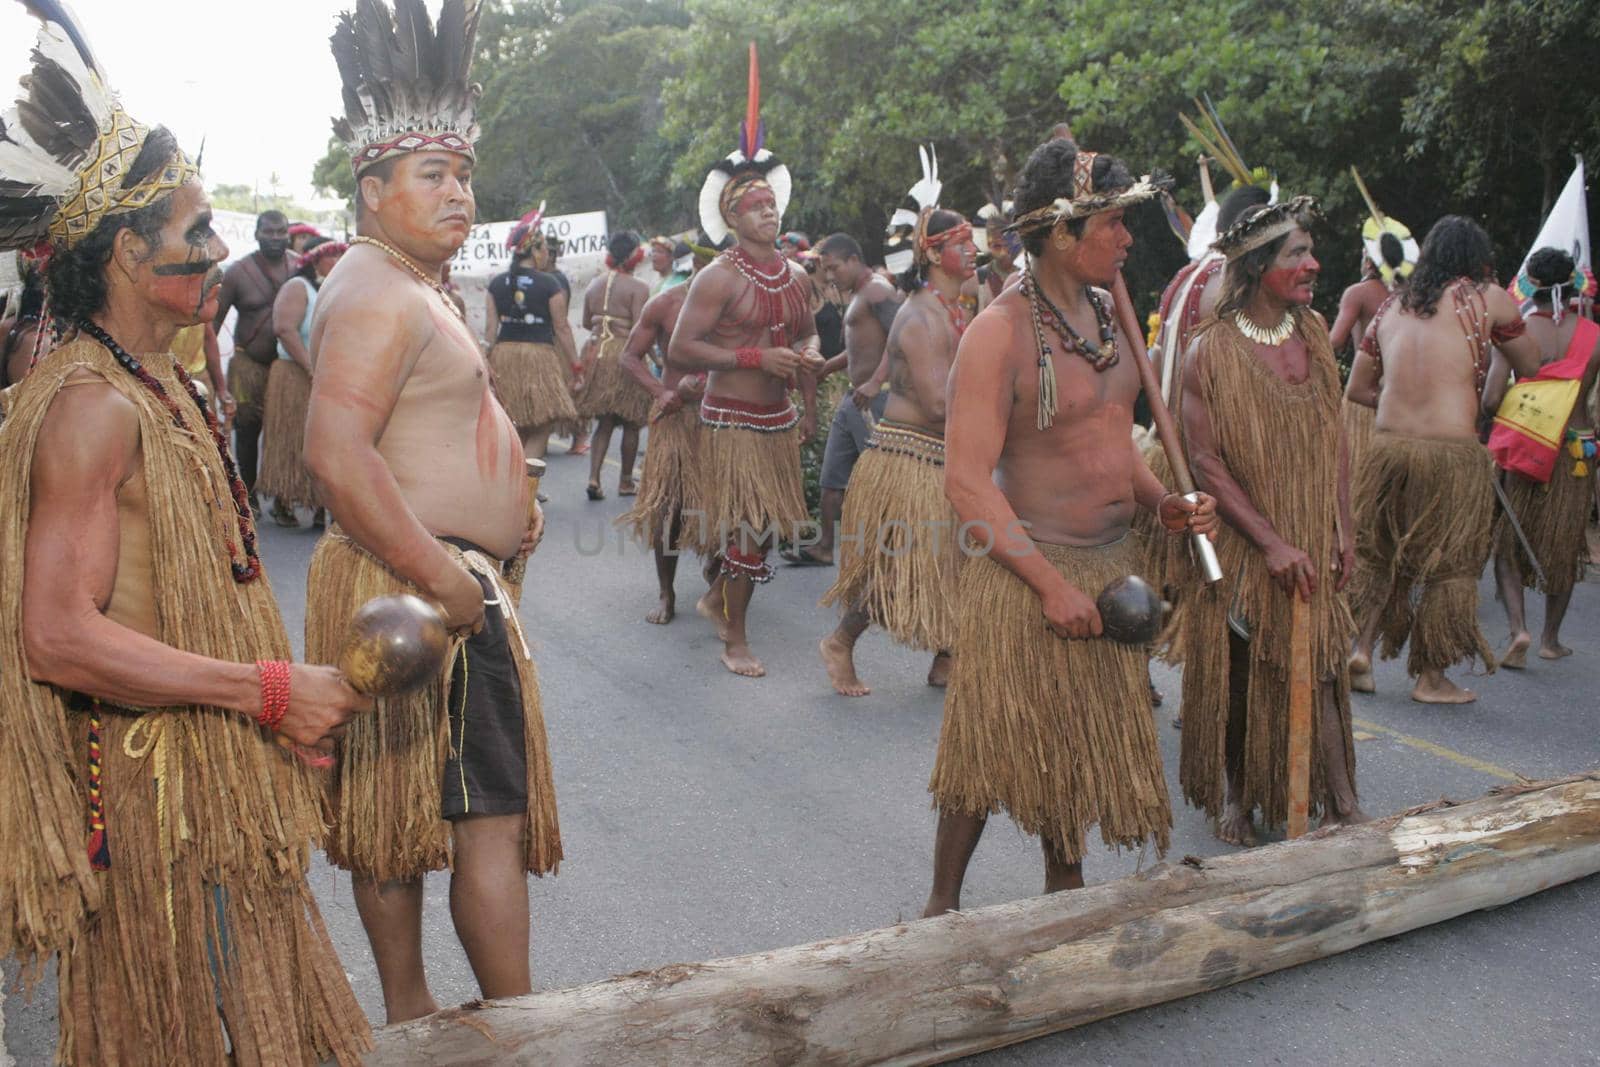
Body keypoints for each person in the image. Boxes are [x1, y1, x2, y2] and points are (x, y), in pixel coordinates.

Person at [0, 10, 371, 1060]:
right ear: (126, 249)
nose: (215, 252)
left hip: (210, 769)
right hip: (155, 793)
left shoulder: (157, 374)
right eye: (196, 232)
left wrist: (272, 713)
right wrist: (266, 690)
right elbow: (56, 638)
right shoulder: (88, 405)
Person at [305, 0, 562, 1023]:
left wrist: (514, 514)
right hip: (417, 586)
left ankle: (420, 1020)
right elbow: (335, 453)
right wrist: (450, 577)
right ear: (371, 190)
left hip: (426, 577)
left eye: (462, 174)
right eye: (431, 175)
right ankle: (520, 1028)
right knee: (478, 819)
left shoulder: (410, 283)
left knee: (405, 818)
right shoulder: (375, 288)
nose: (458, 191)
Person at [925, 138, 1216, 914]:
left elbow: (1118, 446)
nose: (1127, 238)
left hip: (1109, 568)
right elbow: (965, 481)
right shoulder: (999, 333)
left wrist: (1165, 505)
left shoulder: (1111, 313)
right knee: (985, 748)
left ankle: (1065, 889)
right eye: (1114, 223)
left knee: (1074, 745)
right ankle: (940, 907)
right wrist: (1049, 586)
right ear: (1061, 231)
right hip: (1031, 572)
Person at [1176, 197, 1365, 845]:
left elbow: (1334, 433)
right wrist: (1271, 542)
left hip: (1311, 529)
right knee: (1245, 664)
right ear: (1257, 266)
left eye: (1310, 251)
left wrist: (1341, 525)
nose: (1313, 264)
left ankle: (1342, 803)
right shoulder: (1211, 353)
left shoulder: (1311, 331)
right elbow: (1206, 463)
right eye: (1297, 255)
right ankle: (1236, 796)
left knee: (1325, 659)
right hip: (1250, 539)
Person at [666, 50, 824, 677]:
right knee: (747, 533)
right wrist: (755, 354)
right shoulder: (716, 277)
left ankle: (714, 601)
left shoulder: (797, 274)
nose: (769, 212)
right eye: (757, 206)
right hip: (730, 421)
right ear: (732, 216)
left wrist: (808, 382)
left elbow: (809, 337)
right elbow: (681, 350)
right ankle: (735, 639)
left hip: (778, 421)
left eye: (771, 204)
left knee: (761, 533)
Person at [1344, 216, 1543, 703]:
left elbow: (1357, 388)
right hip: (1451, 453)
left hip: (1388, 447)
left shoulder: (1393, 305)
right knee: (1450, 563)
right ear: (1479, 258)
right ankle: (1431, 678)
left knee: (1378, 554)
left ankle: (1360, 651)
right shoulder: (1488, 298)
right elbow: (1532, 365)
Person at [820, 163, 975, 697]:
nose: (973, 251)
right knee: (896, 566)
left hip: (937, 457)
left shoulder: (953, 309)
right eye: (963, 243)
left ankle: (947, 656)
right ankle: (840, 642)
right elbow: (936, 403)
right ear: (934, 253)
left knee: (959, 559)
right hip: (911, 458)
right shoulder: (925, 317)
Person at [1485, 248, 1600, 666]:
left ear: (1528, 284)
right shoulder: (1594, 335)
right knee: (1565, 542)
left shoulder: (1516, 333)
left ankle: (1519, 630)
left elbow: (1492, 398)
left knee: (1508, 543)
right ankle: (1551, 639)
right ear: (1575, 285)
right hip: (1577, 449)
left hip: (1528, 443)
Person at [785, 231, 900, 566]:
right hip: (854, 398)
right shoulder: (858, 294)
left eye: (835, 267)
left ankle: (890, 551)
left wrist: (876, 382)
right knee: (832, 477)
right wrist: (827, 369)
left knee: (880, 479)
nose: (831, 276)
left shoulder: (877, 289)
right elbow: (858, 349)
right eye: (827, 270)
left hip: (875, 400)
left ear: (853, 259)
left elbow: (899, 338)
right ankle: (823, 546)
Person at [616, 239, 716, 623]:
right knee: (669, 508)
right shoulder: (666, 303)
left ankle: (718, 577)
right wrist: (663, 391)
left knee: (724, 506)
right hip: (677, 419)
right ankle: (666, 592)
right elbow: (629, 357)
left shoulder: (740, 305)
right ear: (693, 264)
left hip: (723, 416)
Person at [260, 237, 346, 527]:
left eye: (340, 255)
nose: (337, 261)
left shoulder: (332, 289)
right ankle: (285, 500)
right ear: (314, 259)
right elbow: (284, 329)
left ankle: (322, 505)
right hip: (294, 375)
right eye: (331, 256)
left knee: (323, 442)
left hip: (323, 375)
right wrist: (311, 368)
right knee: (293, 439)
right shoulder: (297, 287)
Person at [213, 208, 293, 519]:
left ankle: (285, 498)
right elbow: (214, 324)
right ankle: (249, 494)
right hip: (248, 367)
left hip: (286, 369)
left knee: (285, 434)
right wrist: (213, 376)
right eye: (268, 232)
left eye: (280, 232)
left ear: (288, 234)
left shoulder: (299, 268)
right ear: (256, 234)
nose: (274, 238)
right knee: (247, 430)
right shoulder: (237, 273)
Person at [485, 204, 580, 462]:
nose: (547, 256)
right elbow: (561, 327)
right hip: (539, 356)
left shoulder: (496, 283)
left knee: (515, 421)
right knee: (542, 422)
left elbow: (490, 332)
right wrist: (575, 365)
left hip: (504, 356)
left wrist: (486, 365)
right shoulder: (549, 283)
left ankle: (514, 481)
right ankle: (526, 486)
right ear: (535, 250)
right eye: (545, 250)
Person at [1331, 209, 1418, 481]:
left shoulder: (1358, 293)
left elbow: (1334, 343)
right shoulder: (1415, 296)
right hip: (1407, 400)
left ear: (1369, 258)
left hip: (1364, 398)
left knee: (1360, 484)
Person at [576, 230, 652, 498]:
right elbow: (641, 327)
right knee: (631, 421)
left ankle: (594, 478)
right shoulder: (639, 287)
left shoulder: (594, 284)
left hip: (596, 353)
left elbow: (587, 322)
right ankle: (625, 481)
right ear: (634, 256)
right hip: (624, 353)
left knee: (604, 422)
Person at [974, 199, 1018, 313]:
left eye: (1008, 246)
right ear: (988, 245)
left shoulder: (1032, 275)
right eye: (997, 246)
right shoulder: (976, 279)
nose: (1004, 252)